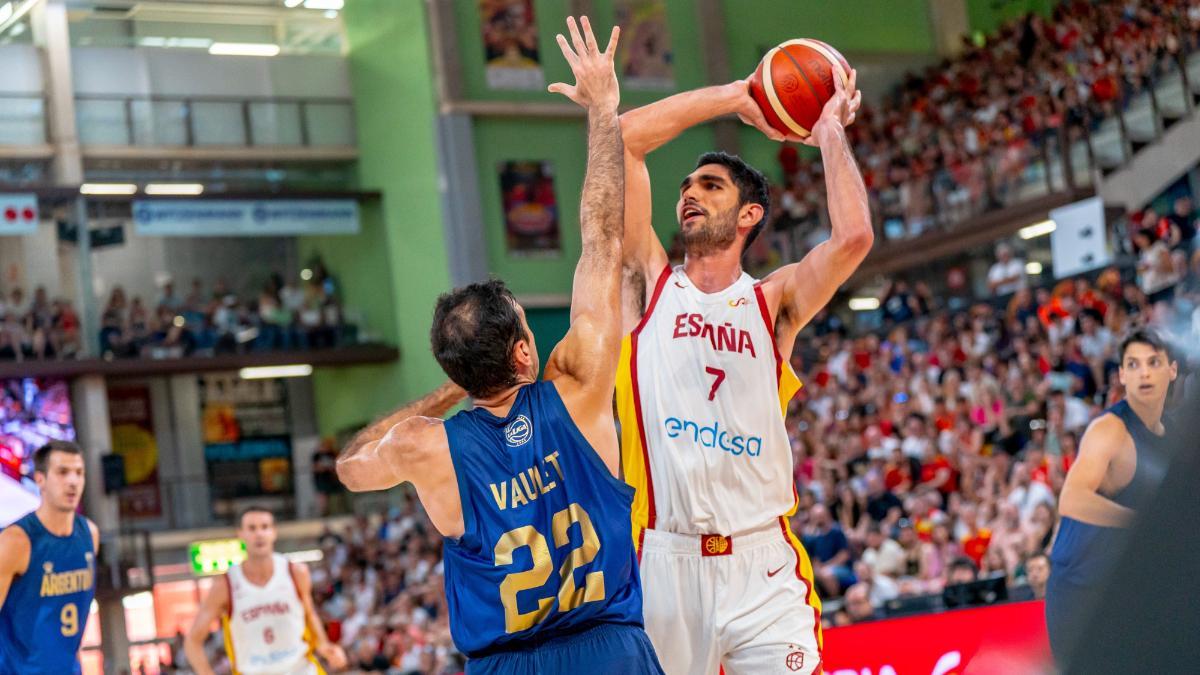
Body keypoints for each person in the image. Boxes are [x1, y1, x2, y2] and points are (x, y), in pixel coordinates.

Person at [336, 18, 663, 674]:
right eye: (522, 323)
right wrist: (603, 107)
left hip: (504, 663)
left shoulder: (423, 445)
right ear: (521, 354)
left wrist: (450, 388)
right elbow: (602, 236)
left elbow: (348, 464)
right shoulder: (577, 383)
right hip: (607, 648)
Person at [615, 43, 870, 675]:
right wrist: (740, 95)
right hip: (663, 558)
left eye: (710, 185)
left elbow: (854, 238)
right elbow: (622, 141)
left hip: (763, 562)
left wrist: (829, 129)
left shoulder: (772, 301)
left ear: (749, 214)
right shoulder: (648, 284)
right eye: (686, 187)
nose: (689, 195)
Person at [1046, 328, 1177, 666]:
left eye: (1153, 362)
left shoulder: (1175, 434)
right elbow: (1071, 499)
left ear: (1172, 369)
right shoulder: (1110, 429)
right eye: (1133, 364)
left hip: (1129, 589)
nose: (1144, 372)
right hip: (1082, 595)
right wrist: (1140, 523)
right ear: (1121, 375)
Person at [184, 506, 347, 675]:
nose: (259, 534)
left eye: (265, 527)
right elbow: (192, 641)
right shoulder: (226, 584)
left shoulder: (295, 572)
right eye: (252, 528)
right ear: (240, 533)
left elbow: (309, 614)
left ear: (274, 532)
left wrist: (323, 645)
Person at [0, 441, 100, 675]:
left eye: (79, 473)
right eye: (62, 472)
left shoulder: (90, 535)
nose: (73, 481)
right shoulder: (16, 541)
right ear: (40, 479)